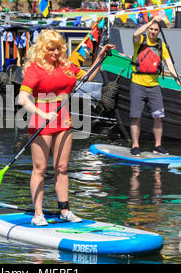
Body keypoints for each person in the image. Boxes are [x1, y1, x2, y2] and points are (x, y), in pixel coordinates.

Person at [17, 29, 115, 226]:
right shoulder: (34, 69)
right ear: (42, 49)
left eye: (58, 49)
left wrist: (101, 56)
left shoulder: (66, 65)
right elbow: (22, 99)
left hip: (63, 122)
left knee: (62, 168)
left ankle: (65, 210)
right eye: (50, 49)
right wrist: (43, 114)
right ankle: (38, 214)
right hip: (41, 123)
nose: (55, 53)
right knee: (40, 169)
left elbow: (86, 77)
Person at [129, 15, 181, 157]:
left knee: (158, 116)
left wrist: (177, 79)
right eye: (151, 29)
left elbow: (169, 63)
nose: (153, 32)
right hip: (138, 83)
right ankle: (135, 145)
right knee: (136, 117)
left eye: (155, 30)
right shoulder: (140, 41)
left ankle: (158, 146)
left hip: (154, 86)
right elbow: (135, 34)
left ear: (159, 32)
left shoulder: (161, 46)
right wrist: (151, 22)